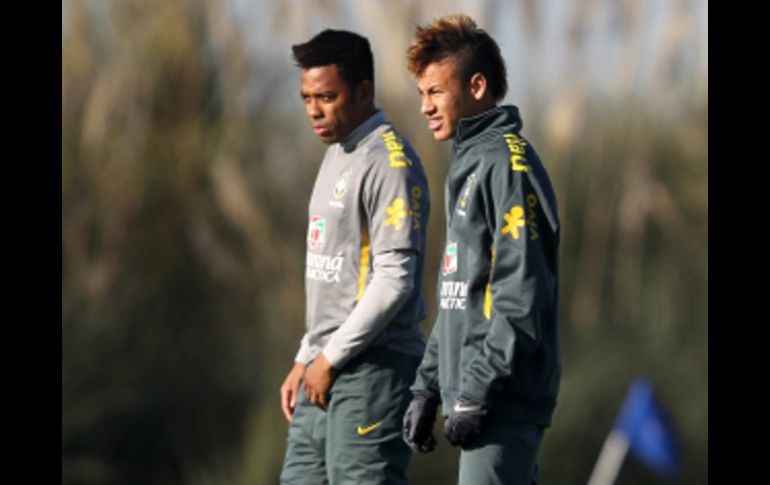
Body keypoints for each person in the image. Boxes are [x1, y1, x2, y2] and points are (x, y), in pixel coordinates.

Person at [401, 14, 561, 485]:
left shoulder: (506, 162)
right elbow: (458, 296)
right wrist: (427, 387)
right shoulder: (467, 164)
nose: (426, 107)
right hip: (479, 395)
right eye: (421, 95)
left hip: (502, 399)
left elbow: (522, 294)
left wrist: (475, 388)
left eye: (436, 92)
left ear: (476, 86)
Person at [278, 29, 430, 485]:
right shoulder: (337, 153)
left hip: (372, 369)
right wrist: (306, 356)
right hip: (322, 369)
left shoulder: (388, 161)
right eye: (306, 97)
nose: (313, 110)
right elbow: (337, 274)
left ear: (364, 91)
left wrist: (329, 359)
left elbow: (394, 279)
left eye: (326, 96)